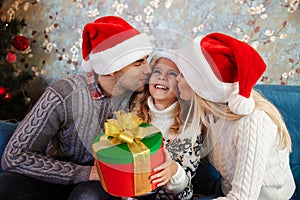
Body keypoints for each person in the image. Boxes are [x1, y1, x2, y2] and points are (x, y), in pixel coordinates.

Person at [0, 16, 153, 200]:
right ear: (112, 68)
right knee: (5, 185)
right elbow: (14, 156)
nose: (148, 70)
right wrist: (84, 173)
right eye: (138, 63)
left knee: (87, 196)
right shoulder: (64, 93)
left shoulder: (142, 95)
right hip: (58, 176)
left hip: (100, 186)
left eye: (146, 60)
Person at [174, 32, 296, 199]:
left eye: (184, 75)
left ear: (202, 86)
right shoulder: (209, 114)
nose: (177, 80)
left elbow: (242, 198)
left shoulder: (253, 122)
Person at [131, 50, 202, 200]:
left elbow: (185, 190)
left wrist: (174, 171)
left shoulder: (189, 124)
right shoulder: (133, 114)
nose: (162, 77)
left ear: (181, 82)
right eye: (157, 71)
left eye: (171, 74)